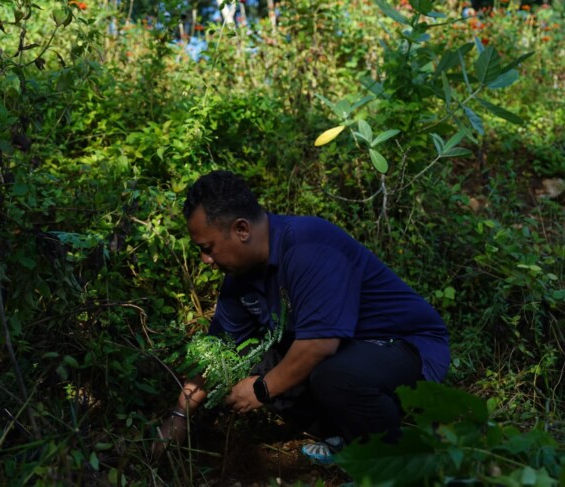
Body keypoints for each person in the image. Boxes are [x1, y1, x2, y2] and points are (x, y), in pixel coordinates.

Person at [154, 170, 450, 463]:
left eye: (208, 248)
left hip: (405, 348)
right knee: (251, 361)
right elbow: (219, 352)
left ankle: (390, 461)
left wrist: (262, 389)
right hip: (350, 354)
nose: (206, 260)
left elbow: (320, 344)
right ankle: (346, 433)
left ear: (241, 229)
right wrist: (179, 416)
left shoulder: (307, 246)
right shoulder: (239, 278)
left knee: (331, 376)